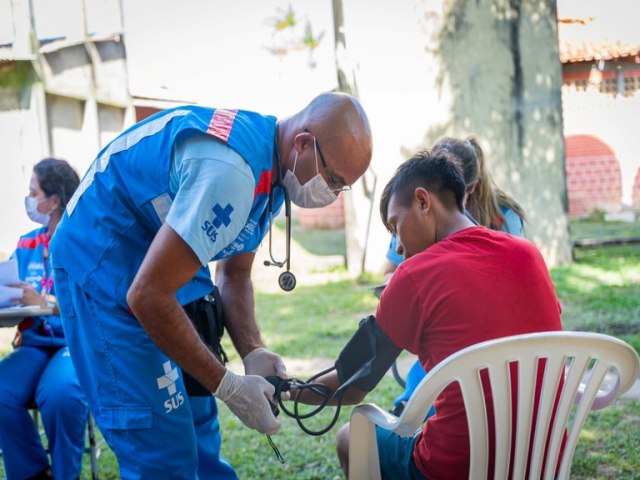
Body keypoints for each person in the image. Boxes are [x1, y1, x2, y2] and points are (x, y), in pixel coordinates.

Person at [49, 92, 372, 478]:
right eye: (334, 180)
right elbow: (148, 295)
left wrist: (252, 350)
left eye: (342, 188)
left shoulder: (271, 167)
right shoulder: (231, 174)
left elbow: (233, 275)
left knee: (198, 417)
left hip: (161, 251)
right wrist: (230, 386)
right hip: (103, 260)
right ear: (303, 144)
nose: (332, 194)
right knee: (160, 445)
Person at [295, 150, 562, 479]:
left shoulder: (414, 274)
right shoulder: (528, 253)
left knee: (351, 438)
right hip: (539, 458)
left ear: (423, 202)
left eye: (395, 226)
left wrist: (283, 389)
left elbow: (351, 383)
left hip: (457, 467)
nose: (400, 249)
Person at [385, 135, 527, 416]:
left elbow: (359, 375)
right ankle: (411, 404)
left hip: (459, 445)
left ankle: (412, 410)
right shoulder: (526, 252)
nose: (401, 249)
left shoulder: (504, 220)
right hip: (537, 445)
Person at [0, 158, 87, 480]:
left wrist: (47, 303)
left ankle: (66, 475)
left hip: (74, 343)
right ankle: (33, 474)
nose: (28, 199)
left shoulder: (84, 241)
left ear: (53, 200)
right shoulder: (26, 244)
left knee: (61, 394)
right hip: (34, 344)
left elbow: (94, 301)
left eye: (33, 192)